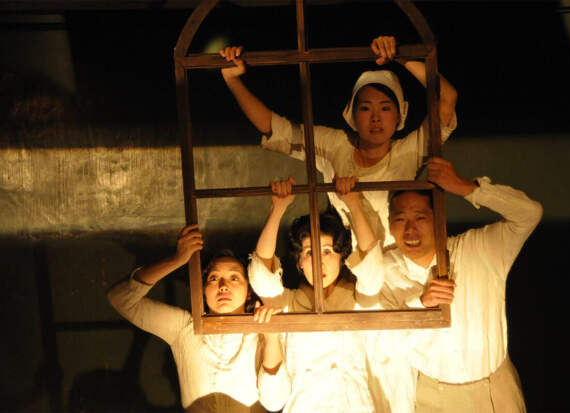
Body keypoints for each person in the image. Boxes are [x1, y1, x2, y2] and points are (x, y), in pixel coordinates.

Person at [219, 35, 458, 248]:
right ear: (352, 114)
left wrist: (400, 56)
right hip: (350, 261)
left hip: (402, 259)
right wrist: (232, 80)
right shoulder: (335, 145)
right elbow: (274, 128)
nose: (376, 118)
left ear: (399, 116)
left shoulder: (410, 151)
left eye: (385, 108)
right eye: (365, 108)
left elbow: (447, 97)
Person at [377, 157, 543, 413]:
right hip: (434, 395)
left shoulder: (479, 248)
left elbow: (530, 214)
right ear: (390, 223)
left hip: (494, 387)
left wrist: (464, 187)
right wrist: (421, 304)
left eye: (420, 218)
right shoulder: (384, 270)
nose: (410, 230)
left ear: (438, 218)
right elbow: (384, 341)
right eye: (400, 219)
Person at [249, 176, 384, 412]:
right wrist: (278, 209)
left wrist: (354, 204)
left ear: (342, 258)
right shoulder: (288, 304)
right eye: (310, 253)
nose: (319, 262)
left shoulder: (358, 300)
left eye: (328, 251)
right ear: (300, 262)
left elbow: (373, 269)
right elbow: (261, 275)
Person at [107, 225, 267, 413]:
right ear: (203, 290)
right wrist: (177, 260)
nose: (223, 286)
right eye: (214, 278)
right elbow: (120, 299)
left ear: (249, 292)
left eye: (234, 278)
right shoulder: (185, 327)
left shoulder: (263, 328)